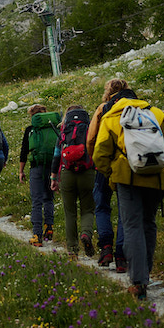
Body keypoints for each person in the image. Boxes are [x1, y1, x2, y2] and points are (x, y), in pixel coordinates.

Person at [93, 87, 164, 301]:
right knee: (148, 223)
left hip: (126, 178)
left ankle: (139, 281)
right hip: (157, 176)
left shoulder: (111, 117)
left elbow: (100, 154)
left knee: (132, 225)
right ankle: (146, 273)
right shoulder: (155, 113)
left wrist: (112, 174)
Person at [87, 79, 136, 272]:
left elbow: (91, 139)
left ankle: (106, 248)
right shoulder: (137, 106)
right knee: (125, 208)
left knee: (102, 206)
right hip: (131, 163)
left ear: (108, 91)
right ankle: (122, 256)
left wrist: (95, 161)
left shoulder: (103, 108)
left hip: (105, 164)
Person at [51, 105, 96, 260]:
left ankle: (72, 250)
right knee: (88, 209)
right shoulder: (90, 128)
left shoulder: (64, 130)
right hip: (88, 173)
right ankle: (86, 233)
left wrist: (53, 178)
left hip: (67, 173)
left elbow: (57, 155)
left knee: (70, 213)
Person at [18, 104, 60, 247]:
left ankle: (37, 235)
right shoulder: (54, 128)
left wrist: (21, 171)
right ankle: (49, 227)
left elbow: (24, 151)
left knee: (37, 200)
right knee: (49, 197)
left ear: (33, 116)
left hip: (36, 166)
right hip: (53, 165)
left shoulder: (31, 130)